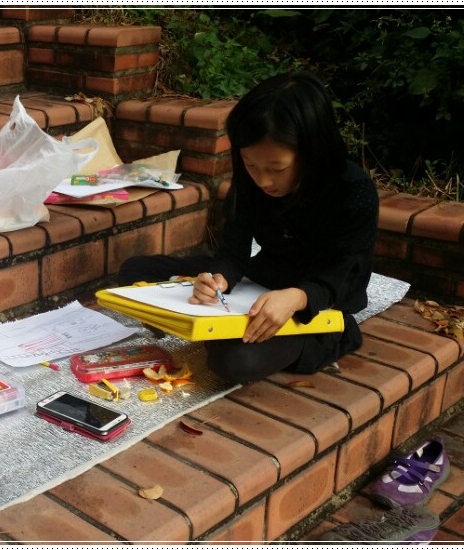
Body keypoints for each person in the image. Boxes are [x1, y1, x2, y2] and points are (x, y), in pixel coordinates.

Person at [118, 70, 378, 384]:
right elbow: (233, 250)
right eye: (250, 164)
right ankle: (212, 328)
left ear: (312, 152)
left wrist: (296, 297)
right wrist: (219, 278)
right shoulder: (250, 181)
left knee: (235, 361)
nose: (263, 180)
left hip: (317, 305)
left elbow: (344, 278)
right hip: (260, 282)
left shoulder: (352, 191)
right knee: (136, 271)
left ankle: (315, 339)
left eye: (277, 168)